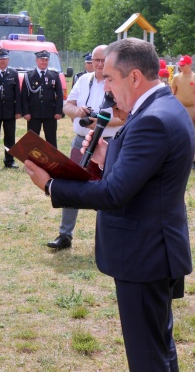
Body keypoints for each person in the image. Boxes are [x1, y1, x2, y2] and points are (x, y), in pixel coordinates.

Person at [25, 38, 194, 371]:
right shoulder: (162, 107)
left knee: (148, 357)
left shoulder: (151, 119)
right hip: (153, 248)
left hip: (143, 253)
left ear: (134, 77)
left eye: (110, 79)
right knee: (158, 348)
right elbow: (144, 175)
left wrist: (51, 185)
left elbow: (114, 194)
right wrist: (106, 157)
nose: (106, 88)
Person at [47, 45, 123, 250]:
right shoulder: (83, 80)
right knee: (71, 184)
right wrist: (78, 112)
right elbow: (67, 106)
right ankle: (65, 234)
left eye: (103, 60)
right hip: (81, 141)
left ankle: (109, 237)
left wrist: (100, 123)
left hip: (107, 143)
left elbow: (123, 117)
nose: (99, 64)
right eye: (96, 60)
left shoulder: (116, 82)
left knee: (109, 189)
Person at [21, 50, 63, 147]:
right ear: (37, 60)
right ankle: (31, 156)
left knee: (51, 140)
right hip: (33, 113)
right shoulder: (29, 76)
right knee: (32, 140)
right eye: (42, 60)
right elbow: (24, 95)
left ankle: (52, 157)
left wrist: (58, 111)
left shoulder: (54, 75)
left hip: (50, 113)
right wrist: (26, 112)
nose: (44, 62)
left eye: (46, 60)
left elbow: (59, 95)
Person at [170, 55, 195, 123]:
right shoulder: (176, 77)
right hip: (179, 107)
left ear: (189, 64)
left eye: (183, 65)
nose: (180, 67)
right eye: (180, 65)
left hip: (192, 108)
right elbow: (173, 92)